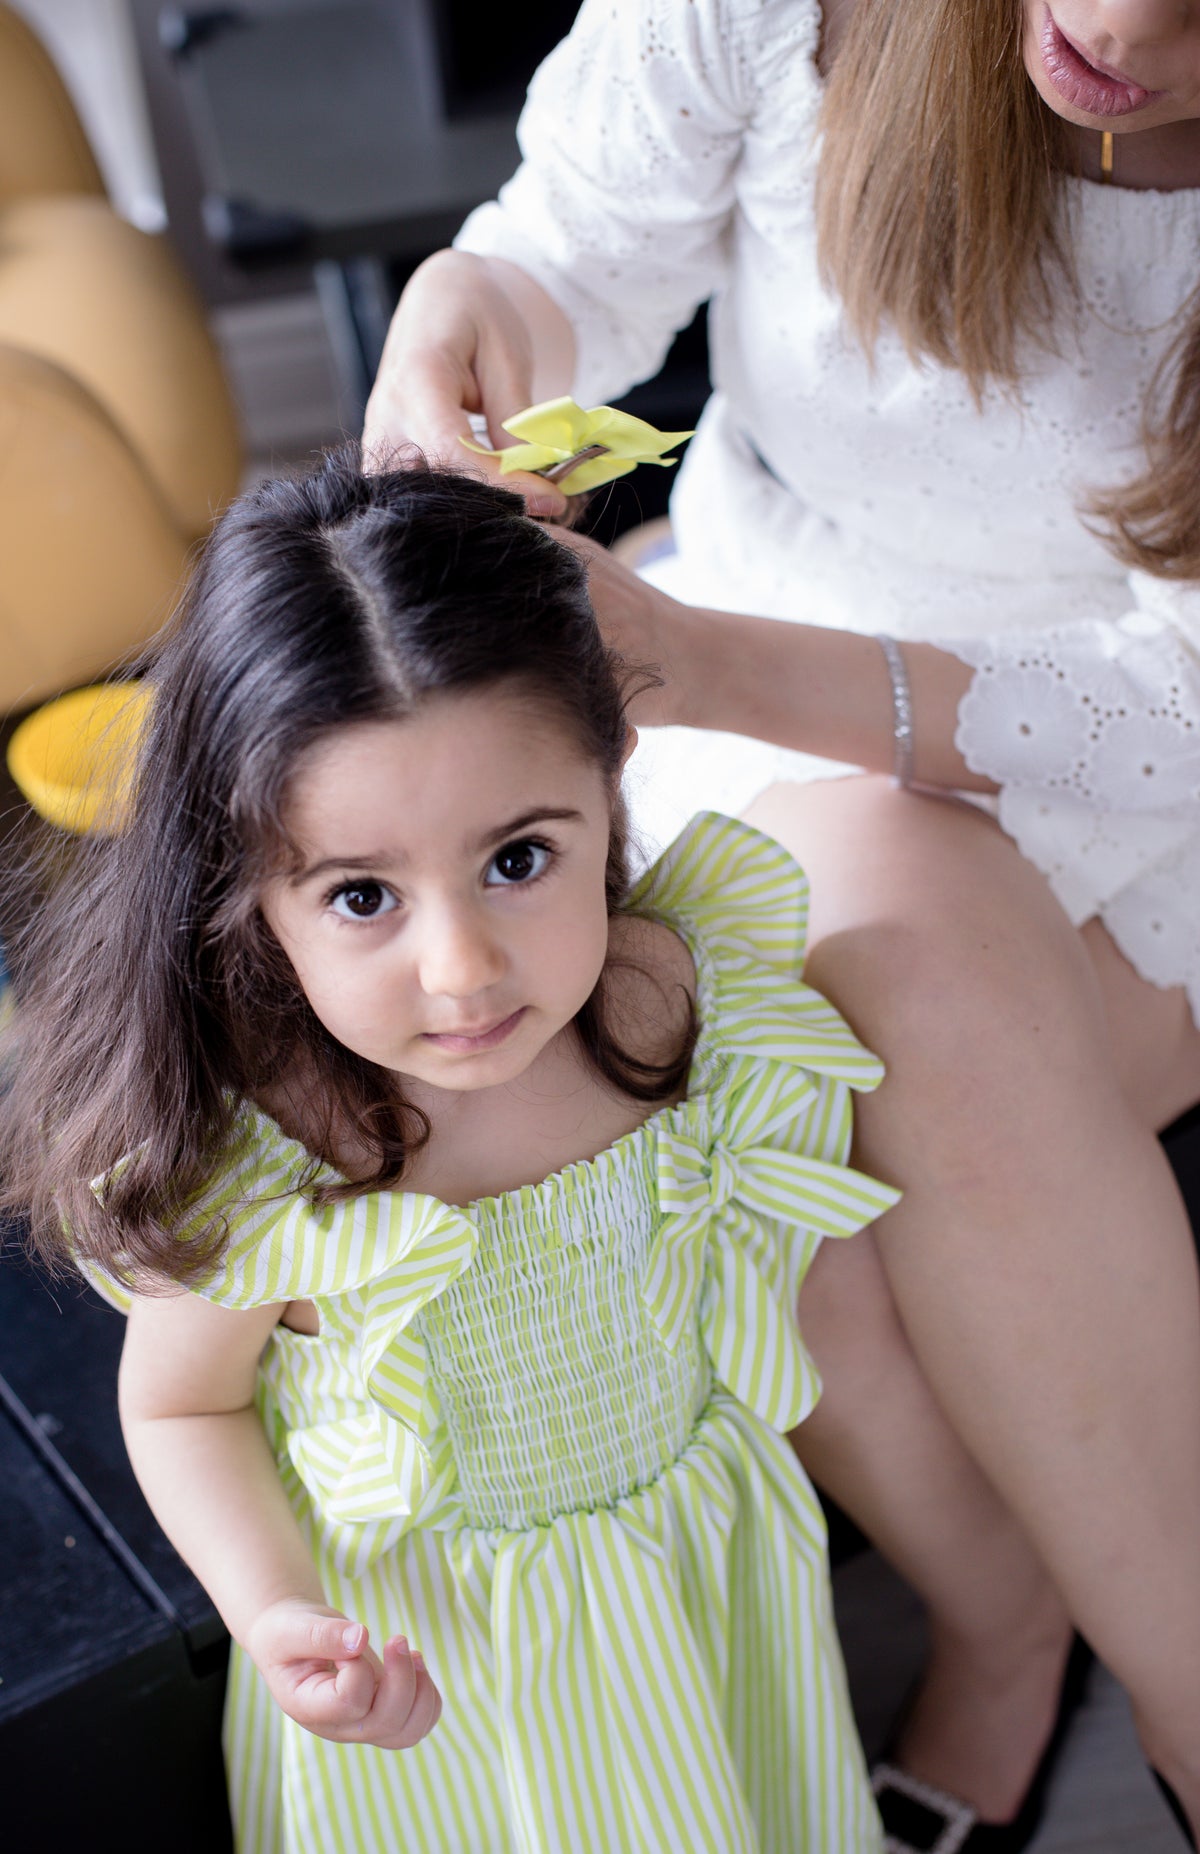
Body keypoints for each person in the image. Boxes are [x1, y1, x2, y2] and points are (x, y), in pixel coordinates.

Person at [360, 0, 1200, 1845]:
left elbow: (1175, 701)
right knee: (757, 1164)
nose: (1122, 23)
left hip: (1132, 783)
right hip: (723, 655)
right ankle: (1013, 1618)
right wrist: (461, 327)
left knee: (872, 992)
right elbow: (561, 251)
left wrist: (706, 664)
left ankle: (1167, 1688)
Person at [0, 452, 906, 1853]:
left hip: (691, 1584)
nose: (464, 967)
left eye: (520, 859)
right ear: (252, 890)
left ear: (611, 782)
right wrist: (276, 1608)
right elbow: (185, 1408)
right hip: (435, 1667)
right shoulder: (273, 1154)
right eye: (363, 893)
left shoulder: (674, 993)